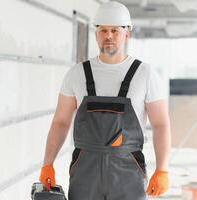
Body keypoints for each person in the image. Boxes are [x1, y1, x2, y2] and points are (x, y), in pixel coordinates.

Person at [39, 1, 171, 199]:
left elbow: (161, 125)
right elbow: (60, 122)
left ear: (127, 33)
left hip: (127, 172)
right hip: (85, 171)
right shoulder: (77, 74)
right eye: (103, 30)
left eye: (115, 31)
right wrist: (47, 163)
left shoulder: (145, 74)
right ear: (96, 34)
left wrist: (162, 169)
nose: (108, 36)